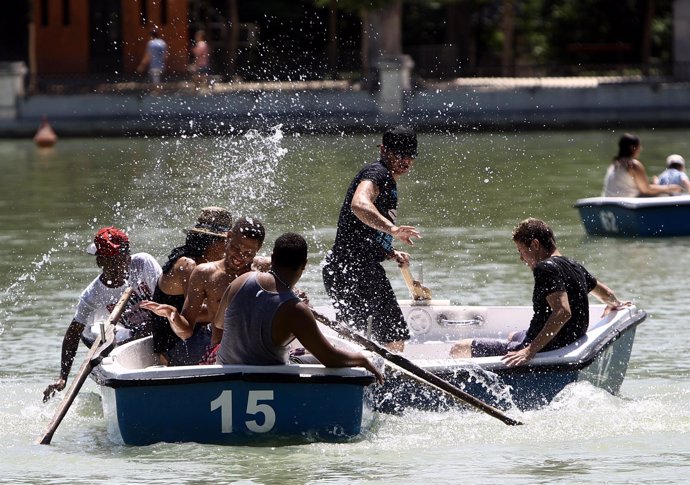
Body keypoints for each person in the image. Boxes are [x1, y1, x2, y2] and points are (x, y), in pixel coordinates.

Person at [449, 218, 630, 366]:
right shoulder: (573, 265)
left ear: (535, 244)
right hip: (568, 340)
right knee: (512, 334)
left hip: (547, 346)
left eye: (521, 251)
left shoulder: (545, 268)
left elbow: (562, 312)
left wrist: (529, 351)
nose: (521, 258)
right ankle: (519, 341)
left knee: (459, 347)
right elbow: (606, 293)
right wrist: (616, 304)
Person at [214, 232, 383, 383]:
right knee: (324, 358)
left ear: (272, 258)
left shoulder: (241, 281)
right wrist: (362, 360)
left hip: (227, 374)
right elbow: (331, 358)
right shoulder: (297, 309)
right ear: (304, 265)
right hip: (270, 380)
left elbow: (219, 323)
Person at [322, 126, 421, 352]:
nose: (405, 160)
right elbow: (359, 205)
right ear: (383, 150)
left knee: (357, 341)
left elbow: (360, 233)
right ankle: (386, 385)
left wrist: (389, 252)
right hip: (356, 271)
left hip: (343, 269)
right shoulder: (377, 174)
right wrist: (393, 230)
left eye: (410, 155)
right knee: (394, 340)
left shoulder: (386, 178)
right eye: (399, 154)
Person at [43, 227, 162, 401]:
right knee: (106, 342)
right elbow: (73, 333)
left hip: (161, 328)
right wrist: (63, 377)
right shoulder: (92, 295)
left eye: (124, 258)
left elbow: (168, 301)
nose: (122, 265)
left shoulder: (143, 263)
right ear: (100, 262)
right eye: (113, 262)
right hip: (134, 338)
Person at [140, 217, 266, 358]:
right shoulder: (204, 273)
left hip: (260, 350)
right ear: (228, 237)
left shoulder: (263, 270)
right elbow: (186, 331)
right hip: (223, 354)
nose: (239, 256)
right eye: (235, 248)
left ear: (257, 250)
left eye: (248, 253)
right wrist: (172, 315)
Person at [150, 207, 231, 366]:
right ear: (214, 243)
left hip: (194, 338)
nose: (229, 249)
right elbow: (195, 315)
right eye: (227, 242)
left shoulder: (204, 263)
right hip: (175, 347)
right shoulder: (188, 265)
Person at [602, 133, 681, 197]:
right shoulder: (633, 165)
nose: (640, 149)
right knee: (665, 195)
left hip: (610, 203)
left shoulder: (613, 165)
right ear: (633, 148)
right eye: (639, 146)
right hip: (626, 203)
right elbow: (647, 189)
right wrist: (669, 188)